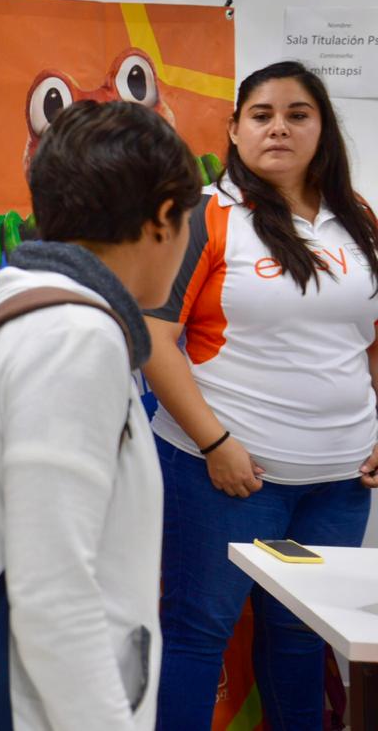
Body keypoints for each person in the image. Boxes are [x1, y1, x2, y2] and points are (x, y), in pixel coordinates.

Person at [0, 100, 201, 730]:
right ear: (162, 218)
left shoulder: (37, 315)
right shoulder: (73, 340)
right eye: (189, 220)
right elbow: (53, 595)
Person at [144, 61, 378, 730]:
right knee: (198, 632)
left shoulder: (358, 218)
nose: (280, 127)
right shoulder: (206, 215)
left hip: (339, 483)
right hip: (224, 477)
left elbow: (371, 337)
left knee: (304, 636)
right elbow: (154, 340)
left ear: (323, 130)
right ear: (235, 130)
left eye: (298, 114)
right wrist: (217, 445)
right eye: (263, 114)